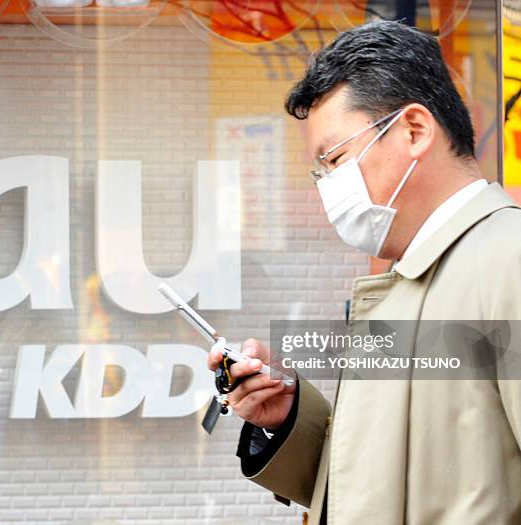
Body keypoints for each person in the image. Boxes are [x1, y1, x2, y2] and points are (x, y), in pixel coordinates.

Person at [207, 20, 521, 525]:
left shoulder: (508, 261)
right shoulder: (406, 284)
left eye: (334, 159)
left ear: (414, 130)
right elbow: (383, 485)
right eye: (320, 172)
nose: (327, 186)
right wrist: (287, 418)